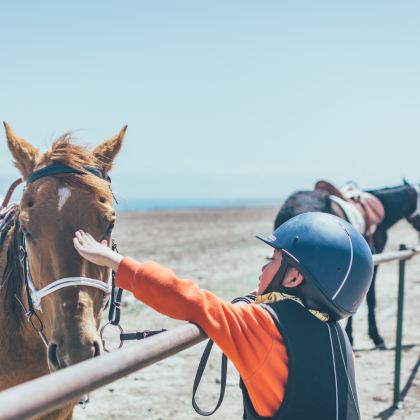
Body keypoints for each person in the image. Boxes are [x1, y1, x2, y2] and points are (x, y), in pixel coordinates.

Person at [73, 212, 373, 420]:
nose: (263, 268)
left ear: (293, 278)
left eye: (273, 260)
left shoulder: (263, 327)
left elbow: (188, 299)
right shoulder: (337, 338)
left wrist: (114, 262)